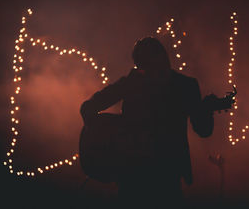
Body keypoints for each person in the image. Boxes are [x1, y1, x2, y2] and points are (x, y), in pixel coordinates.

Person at [80, 37, 230, 208]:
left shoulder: (185, 86)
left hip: (165, 176)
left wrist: (206, 109)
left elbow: (203, 130)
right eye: (143, 66)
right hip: (133, 176)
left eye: (148, 65)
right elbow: (88, 108)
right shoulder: (134, 82)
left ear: (163, 59)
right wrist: (108, 138)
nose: (146, 71)